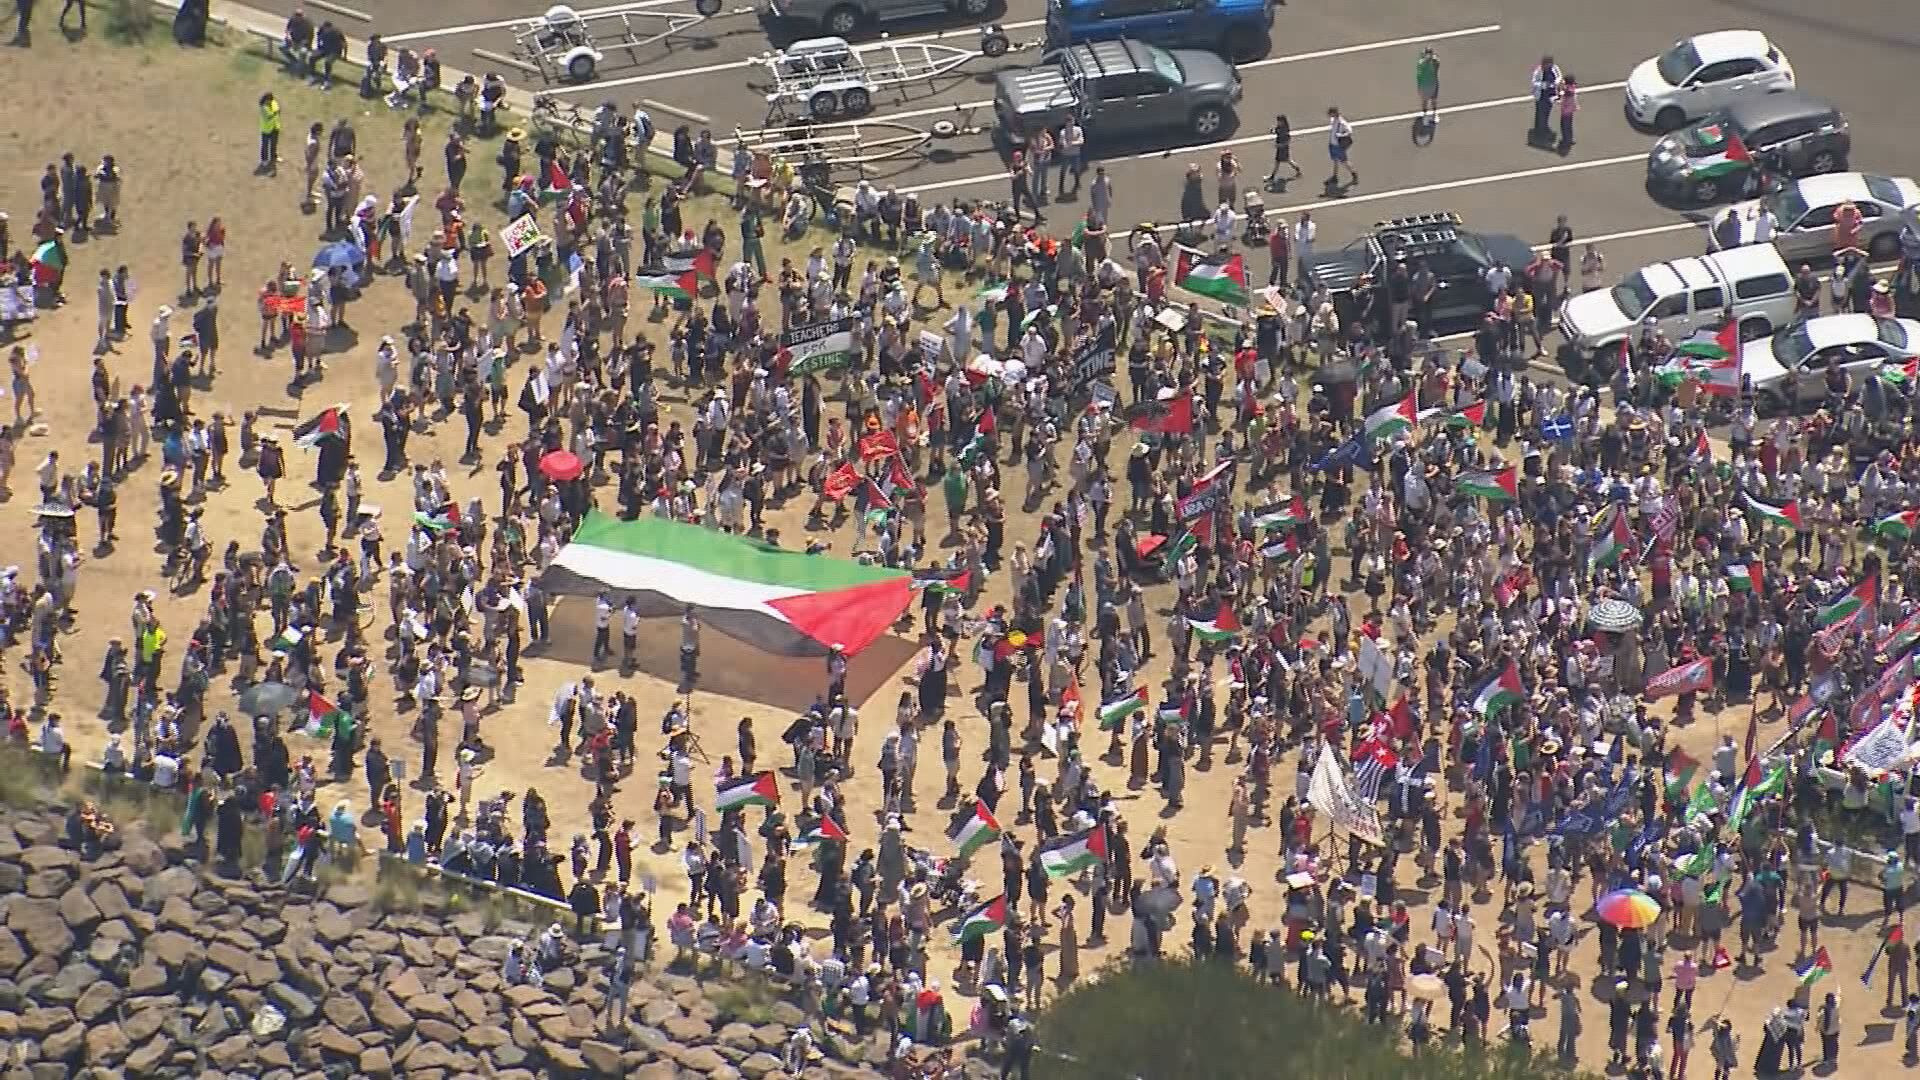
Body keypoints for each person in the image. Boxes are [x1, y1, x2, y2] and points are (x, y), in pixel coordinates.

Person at [1324, 106, 1356, 188]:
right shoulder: (1333, 120)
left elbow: (1349, 131)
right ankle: (1335, 177)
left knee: (1344, 161)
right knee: (1335, 161)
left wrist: (1341, 135)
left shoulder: (1342, 123)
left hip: (1338, 146)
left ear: (1334, 113)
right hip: (1332, 144)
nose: (1329, 115)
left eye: (1330, 113)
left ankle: (1354, 174)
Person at [1415, 47, 1439, 123]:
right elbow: (1420, 69)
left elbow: (1437, 66)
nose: (1429, 55)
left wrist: (1433, 60)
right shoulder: (1421, 62)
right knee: (1425, 101)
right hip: (1424, 84)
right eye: (1427, 54)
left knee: (1434, 100)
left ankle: (1435, 114)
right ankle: (1425, 115)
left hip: (1433, 83)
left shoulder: (1435, 61)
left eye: (1430, 54)